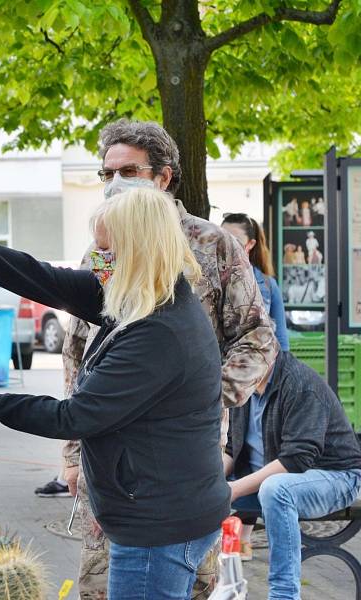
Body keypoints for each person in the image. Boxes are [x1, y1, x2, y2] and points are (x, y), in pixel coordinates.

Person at [0, 187, 231, 598]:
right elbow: (43, 279)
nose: (95, 260)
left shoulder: (159, 332)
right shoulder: (145, 299)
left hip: (157, 526)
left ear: (138, 250)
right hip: (164, 510)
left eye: (105, 250)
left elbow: (72, 417)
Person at [50, 119, 279, 598]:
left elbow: (258, 337)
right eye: (105, 174)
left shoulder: (213, 245)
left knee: (187, 585)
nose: (114, 184)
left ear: (164, 177)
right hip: (109, 460)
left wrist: (207, 397)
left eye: (128, 172)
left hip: (181, 464)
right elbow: (77, 349)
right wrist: (71, 453)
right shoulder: (102, 249)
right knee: (103, 584)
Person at [225, 350, 361, 598]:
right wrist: (207, 482)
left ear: (266, 351)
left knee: (277, 489)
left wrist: (232, 489)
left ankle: (284, 594)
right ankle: (201, 581)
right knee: (197, 488)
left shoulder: (299, 384)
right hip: (268, 478)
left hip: (337, 477)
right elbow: (232, 449)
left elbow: (295, 459)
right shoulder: (244, 384)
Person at [221, 213, 289, 352]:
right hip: (221, 366)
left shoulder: (267, 285)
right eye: (223, 239)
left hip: (258, 368)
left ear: (251, 244)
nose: (228, 246)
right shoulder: (209, 280)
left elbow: (282, 342)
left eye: (236, 241)